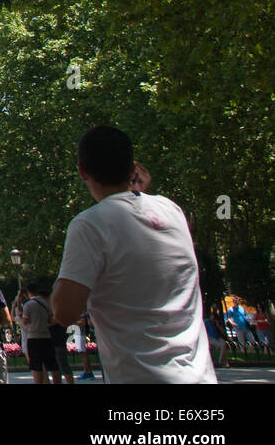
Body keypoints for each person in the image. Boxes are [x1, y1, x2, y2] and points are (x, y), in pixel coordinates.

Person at [51, 125, 216, 383]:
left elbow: (64, 312)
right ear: (132, 169)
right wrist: (137, 193)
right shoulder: (172, 210)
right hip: (198, 376)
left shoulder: (88, 226)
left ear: (83, 171)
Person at [20, 282, 59, 385]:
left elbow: (24, 322)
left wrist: (20, 316)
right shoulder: (45, 303)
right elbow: (50, 321)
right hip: (46, 337)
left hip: (33, 337)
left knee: (36, 366)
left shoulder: (28, 305)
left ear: (28, 292)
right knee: (52, 364)